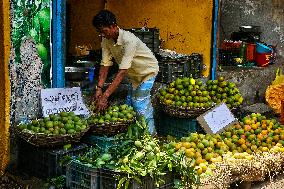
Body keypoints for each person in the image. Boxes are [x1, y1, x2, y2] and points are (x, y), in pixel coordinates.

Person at [92, 10, 159, 135]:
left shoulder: (129, 40)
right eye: (99, 32)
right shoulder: (106, 40)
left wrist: (105, 96)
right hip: (133, 74)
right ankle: (134, 134)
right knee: (129, 104)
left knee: (140, 104)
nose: (102, 34)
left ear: (113, 25)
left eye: (104, 31)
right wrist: (99, 88)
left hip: (147, 71)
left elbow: (122, 72)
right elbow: (105, 65)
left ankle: (151, 136)